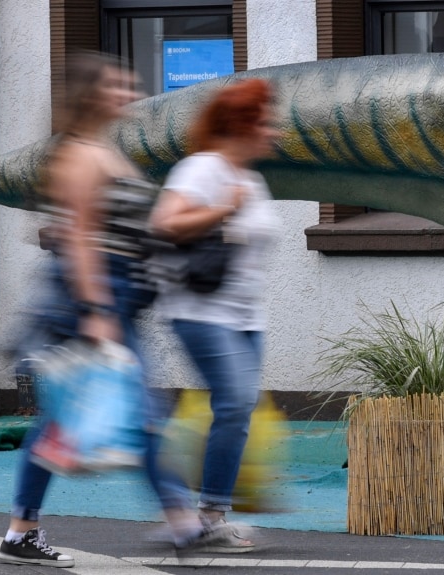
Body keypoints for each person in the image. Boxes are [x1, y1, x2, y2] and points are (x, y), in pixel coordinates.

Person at [0, 52, 220, 568]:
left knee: (93, 416)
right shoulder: (79, 154)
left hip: (116, 296)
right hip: (95, 299)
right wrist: (97, 309)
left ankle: (23, 529)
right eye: (119, 84)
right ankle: (181, 522)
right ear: (92, 95)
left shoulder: (99, 149)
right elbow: (77, 238)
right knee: (125, 412)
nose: (131, 91)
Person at [148, 78, 282, 552]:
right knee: (236, 401)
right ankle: (207, 513)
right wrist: (224, 208)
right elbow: (165, 223)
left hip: (245, 317)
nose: (273, 129)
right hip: (200, 310)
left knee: (236, 408)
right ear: (240, 125)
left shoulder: (252, 178)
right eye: (264, 120)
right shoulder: (202, 169)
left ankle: (201, 510)